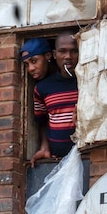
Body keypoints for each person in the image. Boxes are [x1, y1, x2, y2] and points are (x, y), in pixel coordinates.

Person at [30, 31, 79, 167]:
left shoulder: (88, 83)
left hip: (86, 157)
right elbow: (43, 121)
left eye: (74, 51)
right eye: (62, 51)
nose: (68, 57)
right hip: (57, 161)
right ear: (54, 54)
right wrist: (44, 148)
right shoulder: (43, 88)